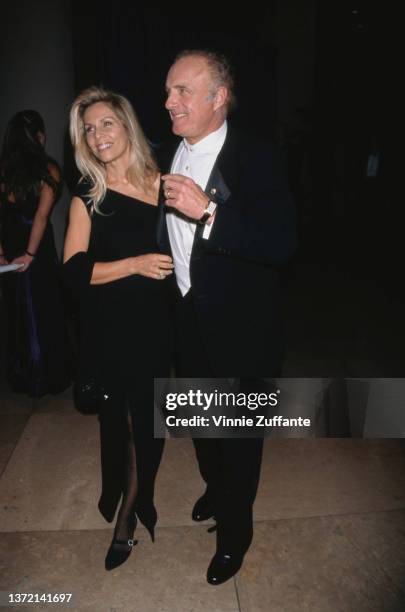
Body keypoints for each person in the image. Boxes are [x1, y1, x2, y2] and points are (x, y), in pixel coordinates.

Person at [158, 50, 296, 584]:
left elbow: (282, 242)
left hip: (242, 326)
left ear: (219, 98)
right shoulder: (168, 151)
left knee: (239, 435)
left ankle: (236, 533)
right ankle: (216, 489)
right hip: (185, 314)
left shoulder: (258, 156)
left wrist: (209, 212)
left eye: (183, 92)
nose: (169, 102)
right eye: (169, 91)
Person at [63, 87, 174, 571]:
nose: (97, 135)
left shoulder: (165, 185)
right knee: (126, 424)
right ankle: (129, 513)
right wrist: (132, 264)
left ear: (127, 125)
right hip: (112, 329)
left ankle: (138, 491)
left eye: (106, 123)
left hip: (159, 325)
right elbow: (72, 272)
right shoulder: (88, 196)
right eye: (88, 128)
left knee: (148, 422)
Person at [0, 110, 71, 397]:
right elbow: (41, 217)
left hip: (11, 242)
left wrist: (2, 253)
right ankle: (50, 374)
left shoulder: (4, 170)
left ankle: (25, 375)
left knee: (18, 309)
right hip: (37, 246)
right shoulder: (49, 169)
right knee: (44, 306)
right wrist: (30, 254)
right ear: (39, 135)